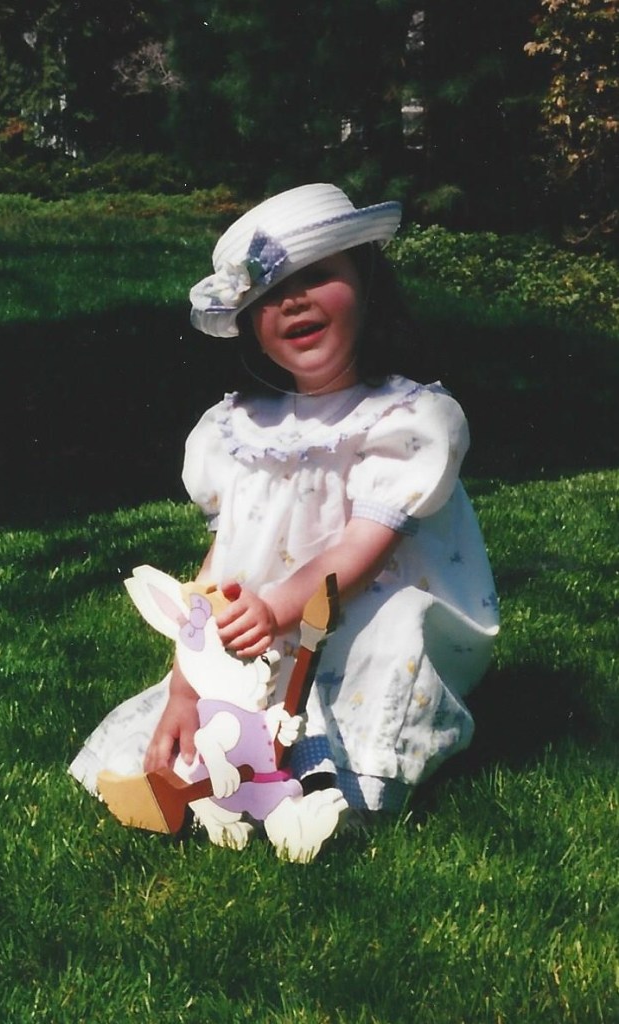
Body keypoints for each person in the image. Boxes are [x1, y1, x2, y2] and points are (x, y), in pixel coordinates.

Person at [70, 183, 499, 818]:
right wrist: (187, 685)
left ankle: (352, 777)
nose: (293, 299)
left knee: (389, 639)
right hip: (270, 623)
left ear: (369, 287)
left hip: (362, 608)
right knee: (217, 711)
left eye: (317, 276)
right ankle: (213, 775)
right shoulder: (239, 431)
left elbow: (361, 549)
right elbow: (220, 571)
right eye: (269, 293)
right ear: (249, 326)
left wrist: (277, 606)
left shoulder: (405, 418)